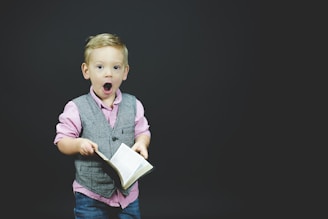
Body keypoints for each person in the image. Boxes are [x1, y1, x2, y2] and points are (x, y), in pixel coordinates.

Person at [54, 33, 151, 219]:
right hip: (91, 194)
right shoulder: (76, 107)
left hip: (128, 195)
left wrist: (142, 143)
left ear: (125, 72)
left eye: (116, 67)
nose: (108, 73)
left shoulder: (134, 104)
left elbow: (142, 131)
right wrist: (78, 144)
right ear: (86, 71)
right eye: (100, 67)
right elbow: (61, 141)